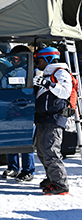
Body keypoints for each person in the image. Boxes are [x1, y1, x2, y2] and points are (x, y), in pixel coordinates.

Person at [33, 47, 72, 195]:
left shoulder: (60, 72)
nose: (37, 63)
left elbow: (65, 92)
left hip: (55, 117)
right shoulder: (46, 74)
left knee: (51, 151)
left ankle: (60, 184)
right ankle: (51, 177)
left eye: (39, 60)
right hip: (44, 117)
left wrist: (48, 84)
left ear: (48, 58)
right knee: (42, 151)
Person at [1, 45, 36, 182]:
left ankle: (28, 170)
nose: (14, 61)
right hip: (12, 110)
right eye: (12, 58)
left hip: (27, 111)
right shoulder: (9, 72)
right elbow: (1, 89)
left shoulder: (32, 71)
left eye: (16, 58)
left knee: (26, 142)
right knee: (11, 140)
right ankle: (13, 167)